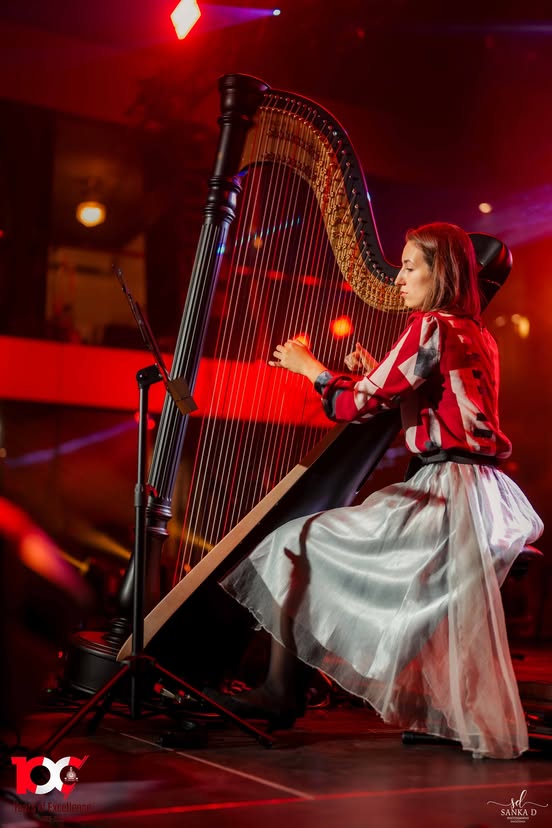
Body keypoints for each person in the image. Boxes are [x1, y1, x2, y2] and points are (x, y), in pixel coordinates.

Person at [214, 222, 543, 760]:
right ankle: (285, 686)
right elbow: (422, 395)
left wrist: (310, 369)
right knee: (306, 544)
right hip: (482, 492)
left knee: (292, 542)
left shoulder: (431, 326)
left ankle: (280, 690)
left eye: (411, 267)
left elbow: (354, 406)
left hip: (447, 495)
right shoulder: (475, 332)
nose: (400, 279)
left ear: (443, 274)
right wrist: (376, 375)